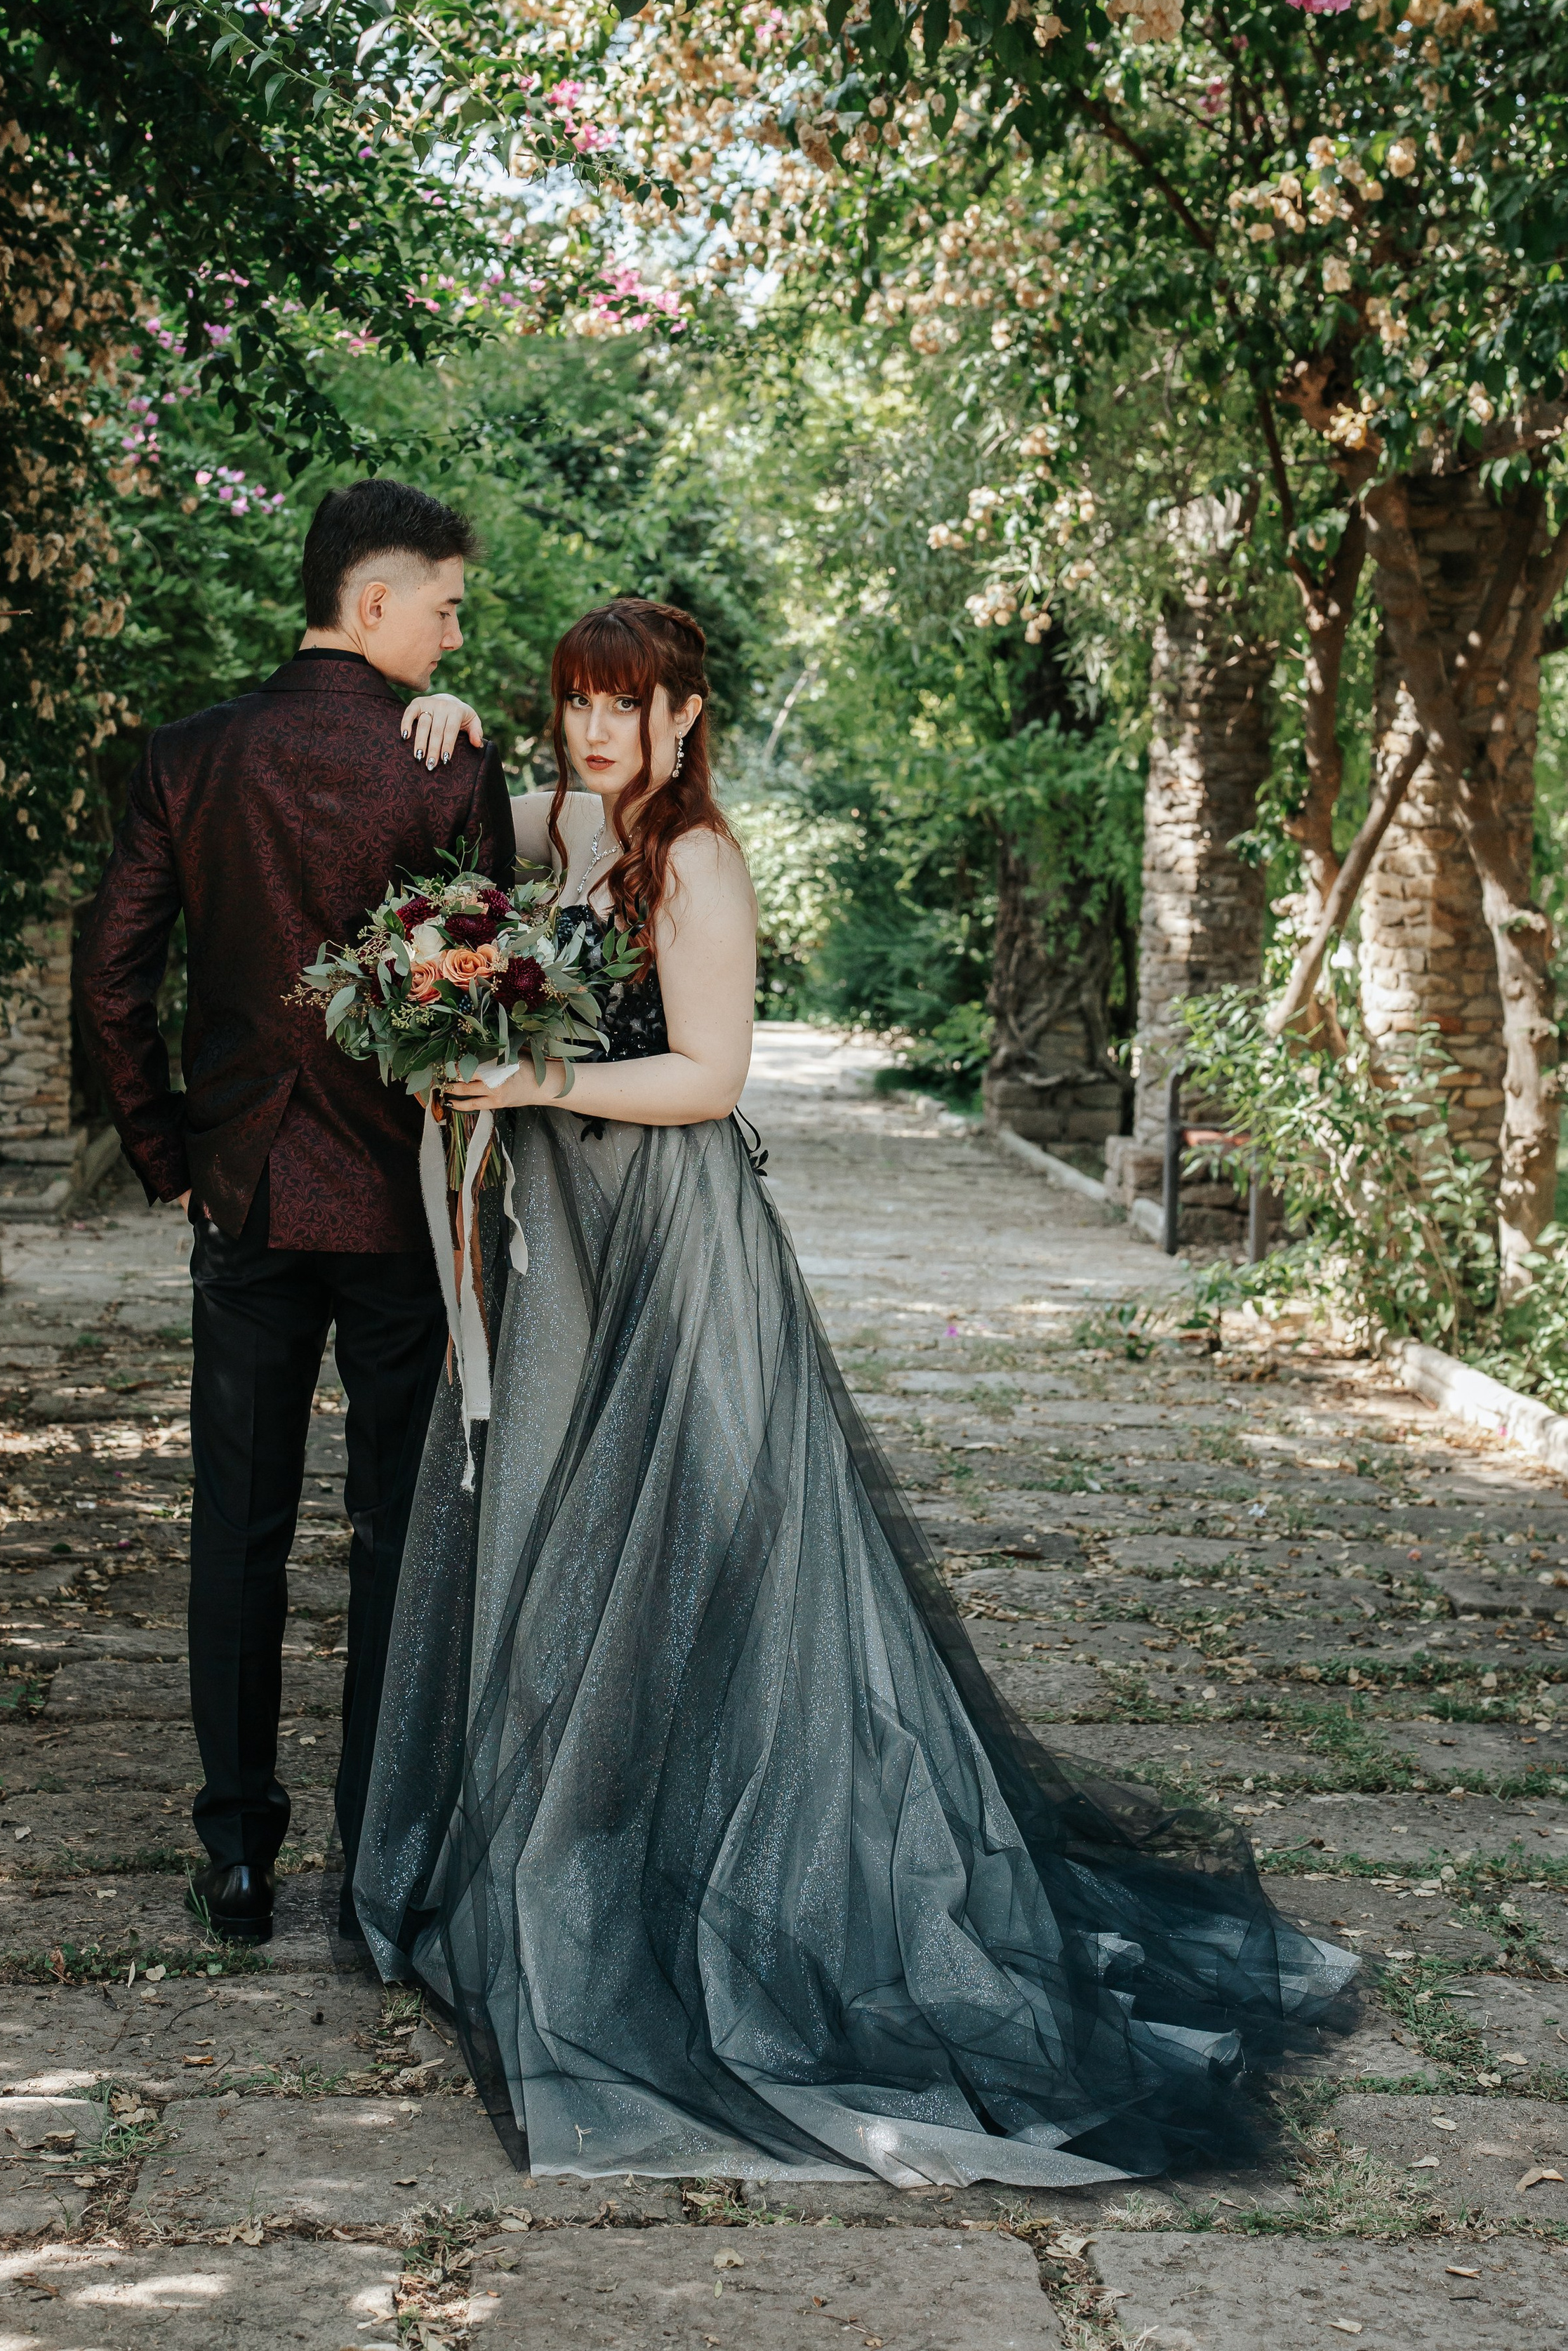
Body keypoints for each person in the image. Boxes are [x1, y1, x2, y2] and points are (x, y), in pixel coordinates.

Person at [350, 595, 1360, 2194]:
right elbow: (467, 820)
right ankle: (563, 1855)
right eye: (575, 702)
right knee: (547, 1523)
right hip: (559, 1246)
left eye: (626, 704)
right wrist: (446, 715)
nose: (596, 729)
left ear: (684, 715)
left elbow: (707, 1076)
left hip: (671, 1243)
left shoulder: (695, 863)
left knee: (690, 1546)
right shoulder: (560, 833)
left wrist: (534, 1075)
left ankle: (716, 1882)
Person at [73, 478, 510, 1944]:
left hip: (248, 1195)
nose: (456, 637)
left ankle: (240, 1857)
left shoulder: (190, 757)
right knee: (393, 1530)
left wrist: (168, 1148)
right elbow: (490, 985)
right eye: (444, 609)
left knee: (238, 1526)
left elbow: (110, 975)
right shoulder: (447, 771)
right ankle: (378, 1861)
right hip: (395, 1200)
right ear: (371, 602)